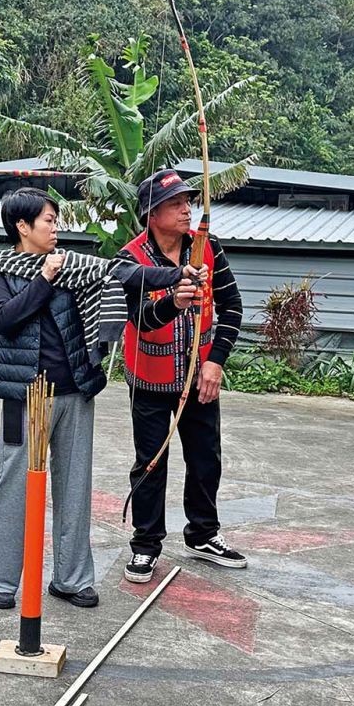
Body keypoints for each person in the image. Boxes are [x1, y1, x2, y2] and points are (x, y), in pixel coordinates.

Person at [0, 188, 186, 610]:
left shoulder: (72, 264)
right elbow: (4, 319)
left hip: (74, 391)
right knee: (13, 487)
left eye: (56, 220)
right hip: (25, 396)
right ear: (22, 226)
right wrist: (44, 279)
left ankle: (71, 580)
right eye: (48, 220)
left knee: (75, 487)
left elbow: (123, 272)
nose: (56, 228)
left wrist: (178, 276)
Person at [117, 169, 246, 583]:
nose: (186, 210)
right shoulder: (130, 259)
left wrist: (215, 362)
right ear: (151, 214)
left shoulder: (207, 247)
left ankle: (203, 534)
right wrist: (173, 302)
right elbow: (140, 319)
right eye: (174, 204)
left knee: (206, 457)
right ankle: (146, 544)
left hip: (199, 378)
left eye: (187, 202)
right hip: (149, 380)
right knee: (151, 463)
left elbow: (233, 307)